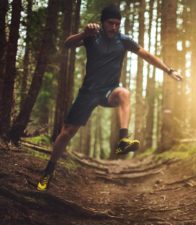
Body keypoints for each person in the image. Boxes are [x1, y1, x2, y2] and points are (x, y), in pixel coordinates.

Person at [37, 4, 182, 191]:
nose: (114, 27)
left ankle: (123, 140)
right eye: (110, 23)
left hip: (109, 91)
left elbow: (147, 56)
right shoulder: (92, 37)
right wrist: (83, 34)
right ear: (102, 22)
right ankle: (48, 171)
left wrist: (169, 70)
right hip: (88, 92)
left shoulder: (124, 40)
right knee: (66, 133)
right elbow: (67, 44)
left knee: (124, 93)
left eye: (117, 24)